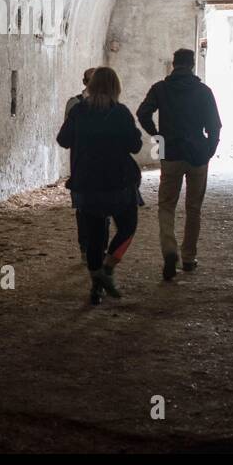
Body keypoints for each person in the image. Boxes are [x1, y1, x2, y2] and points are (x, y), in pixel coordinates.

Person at [56, 67, 145, 304]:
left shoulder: (79, 111)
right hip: (118, 182)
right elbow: (135, 146)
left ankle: (96, 287)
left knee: (95, 236)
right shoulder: (120, 112)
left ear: (91, 85)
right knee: (127, 227)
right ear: (116, 87)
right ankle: (108, 267)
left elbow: (62, 140)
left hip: (87, 183)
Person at [136, 48, 222, 280]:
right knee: (194, 208)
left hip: (170, 151)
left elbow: (143, 112)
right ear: (193, 65)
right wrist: (209, 150)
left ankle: (169, 251)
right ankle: (188, 258)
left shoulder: (160, 89)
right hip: (197, 154)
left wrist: (157, 135)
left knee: (166, 205)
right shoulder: (204, 91)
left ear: (173, 64)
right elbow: (214, 125)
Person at [64, 67, 96, 261]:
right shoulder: (75, 104)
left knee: (95, 208)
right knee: (84, 209)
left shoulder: (109, 106)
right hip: (82, 165)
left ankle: (94, 249)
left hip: (88, 165)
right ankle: (86, 247)